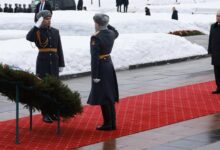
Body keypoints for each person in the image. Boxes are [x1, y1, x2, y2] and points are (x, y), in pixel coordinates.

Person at [26, 10, 65, 123]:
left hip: (54, 61)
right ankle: (45, 113)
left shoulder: (55, 31)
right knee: (44, 89)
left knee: (54, 89)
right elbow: (28, 37)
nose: (49, 21)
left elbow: (59, 48)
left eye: (49, 19)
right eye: (46, 19)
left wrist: (61, 63)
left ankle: (53, 112)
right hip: (43, 63)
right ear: (41, 20)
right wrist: (36, 26)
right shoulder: (37, 32)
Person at [87, 13, 119, 131]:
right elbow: (116, 31)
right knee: (109, 95)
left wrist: (95, 75)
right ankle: (112, 123)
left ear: (98, 24)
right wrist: (106, 24)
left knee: (103, 96)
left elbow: (94, 58)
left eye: (95, 23)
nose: (94, 25)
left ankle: (108, 124)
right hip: (109, 65)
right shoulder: (111, 34)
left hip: (100, 67)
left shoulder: (96, 37)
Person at [208, 10, 220, 94]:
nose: (218, 17)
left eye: (219, 16)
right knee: (217, 72)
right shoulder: (213, 26)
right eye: (217, 16)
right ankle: (219, 87)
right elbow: (210, 39)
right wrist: (210, 50)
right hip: (215, 53)